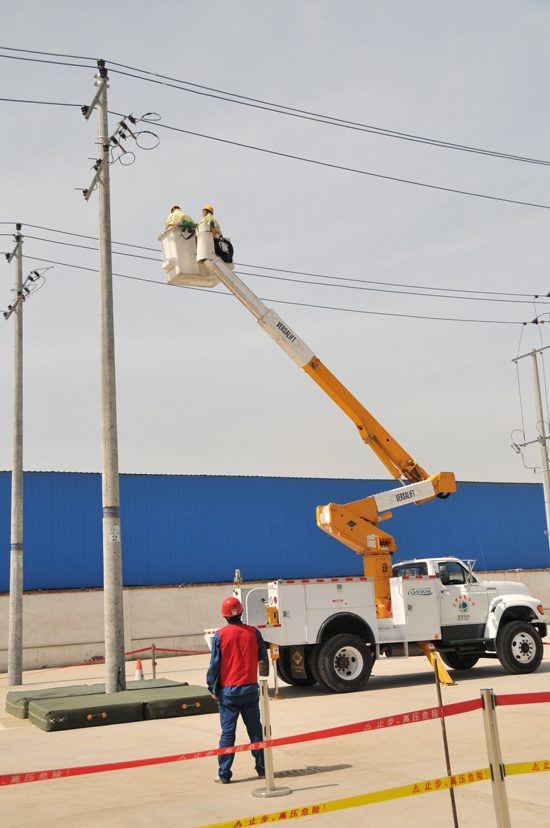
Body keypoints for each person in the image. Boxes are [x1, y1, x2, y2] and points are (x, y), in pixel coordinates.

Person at [206, 596, 268, 784]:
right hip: (250, 690)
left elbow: (214, 666)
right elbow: (262, 656)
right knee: (256, 732)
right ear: (241, 612)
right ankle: (263, 770)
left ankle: (224, 775)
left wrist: (211, 686)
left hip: (229, 693)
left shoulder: (220, 635)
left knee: (227, 734)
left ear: (224, 616)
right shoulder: (253, 633)